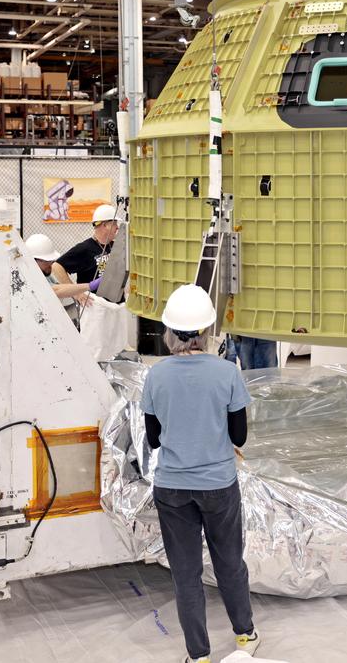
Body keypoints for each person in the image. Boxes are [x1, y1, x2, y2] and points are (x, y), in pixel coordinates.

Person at [142, 284, 261, 663]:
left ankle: (198, 655)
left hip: (172, 487)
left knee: (186, 574)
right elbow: (239, 436)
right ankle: (245, 636)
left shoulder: (156, 376)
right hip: (218, 486)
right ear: (208, 330)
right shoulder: (226, 373)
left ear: (169, 331)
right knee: (229, 563)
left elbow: (154, 439)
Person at [25, 233, 92, 327]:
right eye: (47, 261)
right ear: (32, 260)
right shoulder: (28, 278)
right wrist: (90, 285)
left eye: (51, 260)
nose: (51, 264)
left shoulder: (45, 274)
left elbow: (59, 286)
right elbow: (56, 290)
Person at [58, 204, 119, 292]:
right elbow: (57, 267)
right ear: (105, 225)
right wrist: (75, 293)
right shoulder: (84, 248)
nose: (117, 227)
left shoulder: (115, 245)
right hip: (95, 300)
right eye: (114, 223)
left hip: (115, 299)